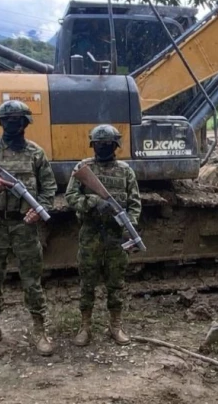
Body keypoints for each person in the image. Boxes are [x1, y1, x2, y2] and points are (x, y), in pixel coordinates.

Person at [0, 100, 58, 356]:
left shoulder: (36, 153)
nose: (14, 125)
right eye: (9, 120)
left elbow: (49, 188)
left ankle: (40, 331)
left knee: (32, 282)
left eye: (19, 120)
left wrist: (39, 208)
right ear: (1, 122)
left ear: (27, 123)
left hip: (24, 227)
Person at [64, 124, 142, 347]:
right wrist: (93, 202)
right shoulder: (83, 168)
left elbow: (135, 204)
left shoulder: (125, 171)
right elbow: (70, 197)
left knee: (116, 283)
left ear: (115, 146)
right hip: (90, 234)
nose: (104, 148)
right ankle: (85, 327)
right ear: (93, 145)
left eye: (108, 144)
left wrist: (130, 223)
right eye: (100, 144)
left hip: (116, 237)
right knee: (87, 283)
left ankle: (115, 326)